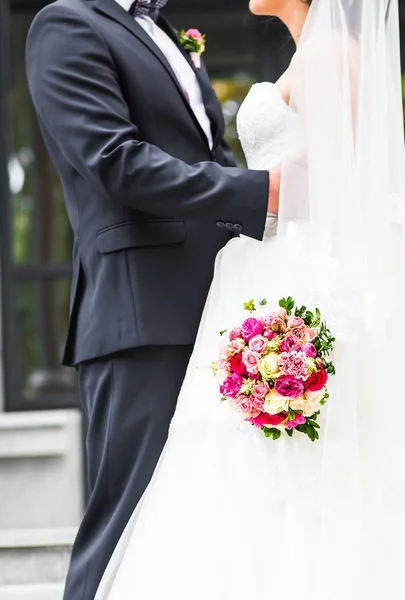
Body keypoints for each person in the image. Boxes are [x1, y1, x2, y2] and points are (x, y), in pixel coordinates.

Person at [90, 0, 405, 598]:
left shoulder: (334, 56)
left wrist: (309, 310)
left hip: (305, 284)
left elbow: (346, 193)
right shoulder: (306, 55)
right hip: (264, 272)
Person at [25, 0, 281, 598]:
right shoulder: (66, 25)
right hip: (140, 315)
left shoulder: (167, 32)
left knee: (199, 525)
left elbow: (206, 157)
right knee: (125, 523)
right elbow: (113, 160)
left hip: (218, 309)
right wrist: (258, 192)